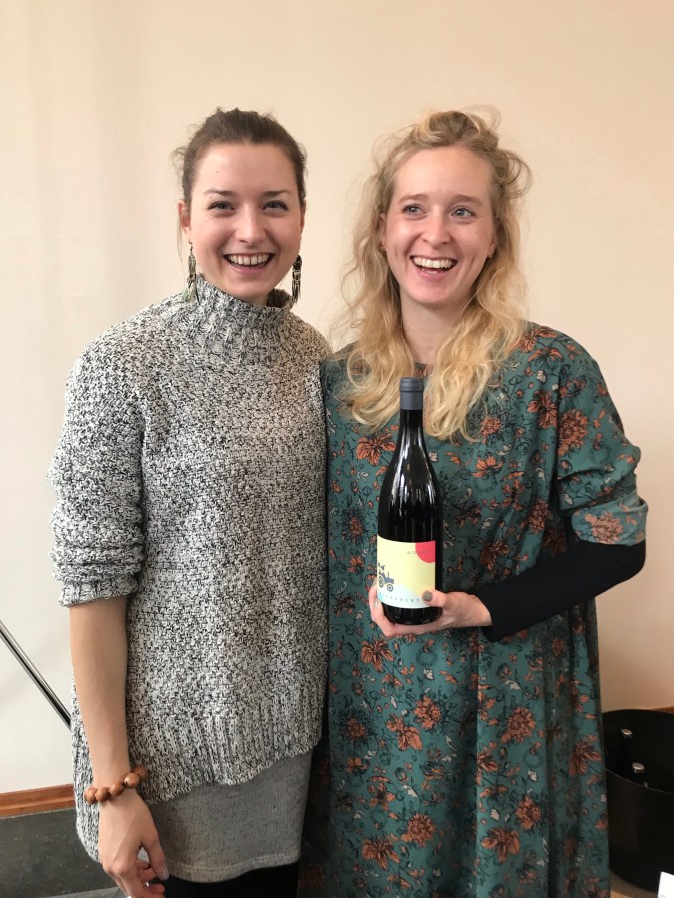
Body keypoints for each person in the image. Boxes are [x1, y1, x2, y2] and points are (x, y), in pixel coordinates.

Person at [299, 110, 646, 897]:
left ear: (494, 237)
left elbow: (619, 540)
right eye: (414, 208)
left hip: (504, 713)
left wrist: (480, 607)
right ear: (382, 229)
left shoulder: (551, 371)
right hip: (370, 717)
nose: (436, 234)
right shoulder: (337, 383)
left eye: (463, 211)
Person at [49, 108, 328, 898]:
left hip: (295, 753)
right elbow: (92, 589)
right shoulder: (122, 365)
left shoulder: (316, 358)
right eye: (222, 205)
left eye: (274, 204)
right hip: (174, 772)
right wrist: (112, 787)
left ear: (302, 216)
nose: (251, 230)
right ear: (185, 218)